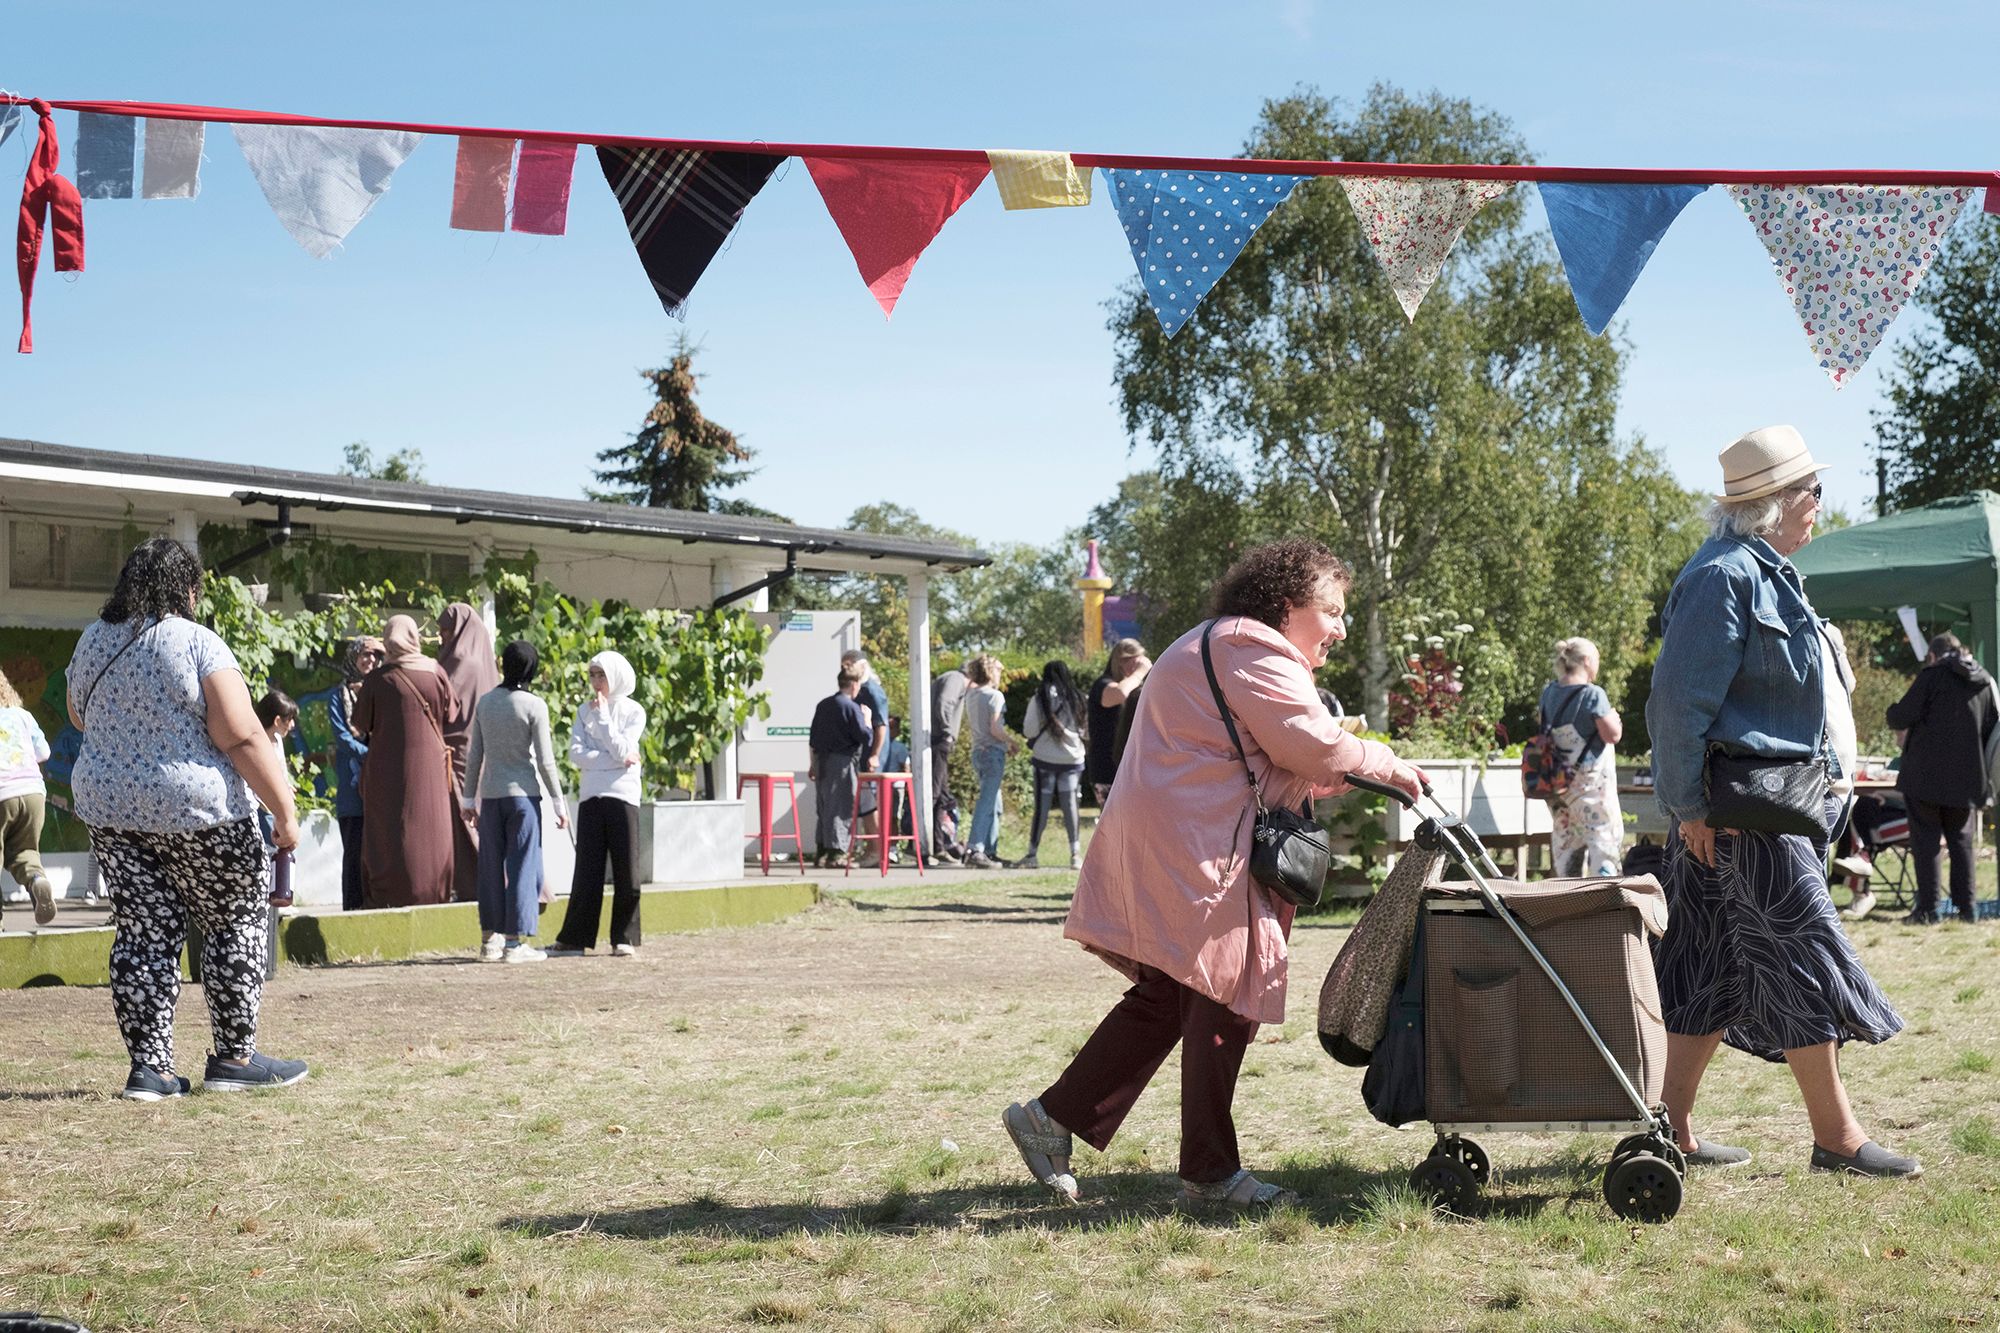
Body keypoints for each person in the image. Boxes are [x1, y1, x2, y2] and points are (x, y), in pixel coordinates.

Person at [1003, 538, 1425, 1209]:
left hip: (1181, 841)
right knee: (1223, 997)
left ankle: (1052, 1118)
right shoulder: (1251, 648)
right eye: (1332, 611)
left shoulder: (1225, 642)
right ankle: (1210, 1171)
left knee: (1175, 995)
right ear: (1286, 604)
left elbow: (1283, 757)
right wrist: (1389, 763)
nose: (1341, 628)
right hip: (1197, 851)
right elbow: (1313, 745)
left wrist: (1356, 769)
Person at [1645, 425, 1919, 1178]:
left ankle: (1667, 1129)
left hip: (1753, 809)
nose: (1820, 502)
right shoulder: (1722, 577)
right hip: (1737, 813)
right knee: (1802, 958)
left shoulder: (1765, 572)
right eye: (1813, 490)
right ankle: (1837, 1136)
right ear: (1773, 501)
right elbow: (1674, 704)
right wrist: (1689, 808)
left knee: (1705, 966)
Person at [64, 537, 308, 1099]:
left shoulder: (93, 639)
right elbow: (241, 734)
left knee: (143, 931)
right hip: (198, 813)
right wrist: (284, 810)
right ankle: (234, 1059)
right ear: (188, 590)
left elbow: (79, 714)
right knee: (233, 920)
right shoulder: (196, 641)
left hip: (111, 812)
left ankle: (150, 1071)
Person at [461, 640, 567, 963]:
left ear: (503, 664)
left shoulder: (486, 703)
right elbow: (545, 761)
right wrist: (559, 802)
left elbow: (475, 755)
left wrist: (468, 798)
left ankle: (488, 941)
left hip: (491, 797)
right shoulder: (534, 705)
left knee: (489, 867)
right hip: (523, 797)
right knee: (523, 866)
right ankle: (514, 943)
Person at [1886, 631, 1998, 925]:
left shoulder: (1932, 676)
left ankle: (1929, 910)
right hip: (1968, 778)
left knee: (1926, 844)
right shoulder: (1984, 681)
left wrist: (1891, 710)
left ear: (1933, 655)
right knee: (1962, 844)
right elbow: (1992, 730)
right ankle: (1968, 909)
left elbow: (1900, 716)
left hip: (1925, 777)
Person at [351, 615, 459, 908]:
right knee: (431, 827)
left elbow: (360, 724)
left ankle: (389, 896)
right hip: (431, 768)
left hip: (386, 771)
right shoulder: (435, 672)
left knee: (389, 831)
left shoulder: (378, 679)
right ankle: (435, 892)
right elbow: (451, 714)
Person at [552, 651, 647, 956]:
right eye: (592, 675)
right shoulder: (584, 711)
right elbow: (577, 754)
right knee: (587, 870)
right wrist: (615, 761)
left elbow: (623, 748)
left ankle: (624, 938)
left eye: (601, 675)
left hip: (623, 796)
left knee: (626, 869)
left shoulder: (633, 711)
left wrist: (604, 719)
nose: (596, 682)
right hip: (592, 795)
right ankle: (575, 938)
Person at [1539, 637, 1624, 877]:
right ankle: (1605, 893)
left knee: (1566, 841)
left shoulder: (1549, 692)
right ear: (1586, 661)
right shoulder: (1593, 694)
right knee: (1602, 839)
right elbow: (1612, 735)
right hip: (1590, 785)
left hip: (1557, 784)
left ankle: (1567, 893)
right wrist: (1614, 720)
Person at [437, 603, 500, 905]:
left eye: (446, 631)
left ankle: (481, 882)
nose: (441, 637)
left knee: (465, 818)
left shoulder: (461, 661)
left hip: (460, 752)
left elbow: (444, 705)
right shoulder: (485, 658)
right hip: (483, 751)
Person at [329, 635, 382, 911]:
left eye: (375, 655)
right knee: (354, 850)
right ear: (353, 657)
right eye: (364, 654)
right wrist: (373, 755)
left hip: (381, 786)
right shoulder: (338, 696)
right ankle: (352, 909)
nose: (370, 660)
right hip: (353, 788)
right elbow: (342, 738)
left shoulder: (383, 691)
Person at [0, 667, 56, 925]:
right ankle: (37, 880)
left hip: (2, 794)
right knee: (25, 851)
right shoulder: (23, 716)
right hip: (33, 792)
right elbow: (44, 752)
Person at [1020, 661, 1087, 871]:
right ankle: (1075, 854)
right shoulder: (1078, 697)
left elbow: (1029, 730)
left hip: (1045, 759)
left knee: (1042, 806)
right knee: (1071, 805)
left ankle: (1032, 854)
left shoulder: (1039, 698)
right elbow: (1086, 730)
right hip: (1072, 760)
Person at [807, 662, 873, 869]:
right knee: (841, 806)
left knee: (824, 806)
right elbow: (864, 736)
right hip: (842, 762)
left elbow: (813, 739)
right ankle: (837, 853)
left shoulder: (823, 705)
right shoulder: (851, 708)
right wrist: (868, 720)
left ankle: (821, 851)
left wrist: (813, 764)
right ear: (854, 685)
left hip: (822, 760)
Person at [963, 655, 1018, 870]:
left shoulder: (972, 695)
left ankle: (989, 850)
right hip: (992, 753)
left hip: (978, 751)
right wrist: (1011, 741)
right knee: (987, 803)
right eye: (998, 669)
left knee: (995, 804)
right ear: (989, 672)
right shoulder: (995, 696)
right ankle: (976, 848)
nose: (1000, 672)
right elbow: (995, 728)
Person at [1086, 639, 1149, 804]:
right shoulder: (1102, 685)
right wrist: (1140, 672)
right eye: (1135, 662)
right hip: (1105, 769)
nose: (1138, 667)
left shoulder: (1130, 688)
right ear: (1121, 661)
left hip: (1125, 766)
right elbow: (1119, 694)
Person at [252, 689, 299, 906]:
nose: (292, 725)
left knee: (282, 854)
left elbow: (280, 771)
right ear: (277, 720)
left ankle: (281, 895)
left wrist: (286, 788)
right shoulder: (256, 742)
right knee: (268, 854)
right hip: (261, 807)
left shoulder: (277, 741)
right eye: (289, 720)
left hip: (275, 808)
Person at [842, 650, 891, 843]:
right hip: (862, 753)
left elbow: (881, 725)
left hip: (871, 754)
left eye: (849, 665)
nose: (845, 669)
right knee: (865, 800)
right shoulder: (858, 689)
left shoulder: (871, 690)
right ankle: (872, 846)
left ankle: (876, 848)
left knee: (870, 800)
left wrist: (875, 754)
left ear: (862, 666)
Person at [930, 660, 970, 864]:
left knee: (942, 795)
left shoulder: (949, 677)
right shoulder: (957, 679)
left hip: (937, 739)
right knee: (935, 793)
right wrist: (947, 731)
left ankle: (940, 845)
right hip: (939, 740)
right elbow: (944, 702)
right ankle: (928, 844)